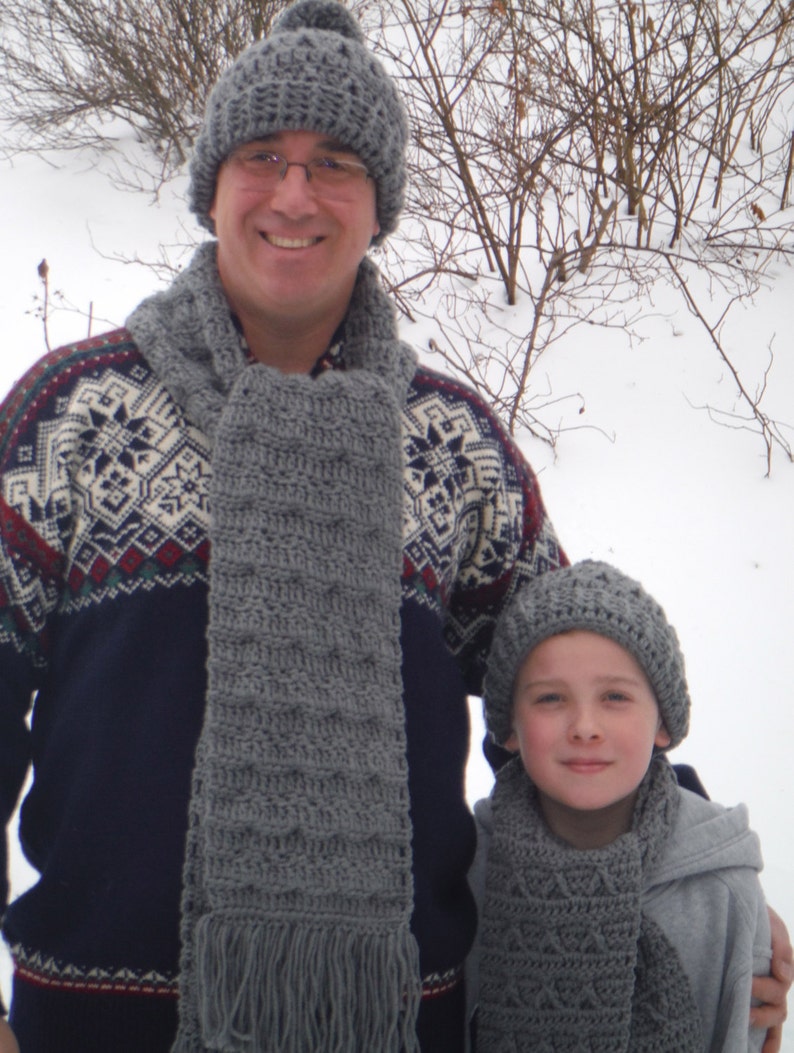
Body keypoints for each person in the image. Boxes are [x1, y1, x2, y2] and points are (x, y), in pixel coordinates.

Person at [0, 2, 788, 1051]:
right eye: (262, 155)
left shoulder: (450, 445)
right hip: (90, 1022)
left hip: (398, 1020)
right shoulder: (71, 410)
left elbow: (564, 688)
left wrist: (693, 883)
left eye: (334, 162)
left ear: (379, 205)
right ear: (210, 187)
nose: (293, 193)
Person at [467, 560, 775, 1051]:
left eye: (614, 696)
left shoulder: (722, 893)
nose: (585, 725)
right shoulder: (467, 872)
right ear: (507, 728)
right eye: (550, 698)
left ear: (663, 724)